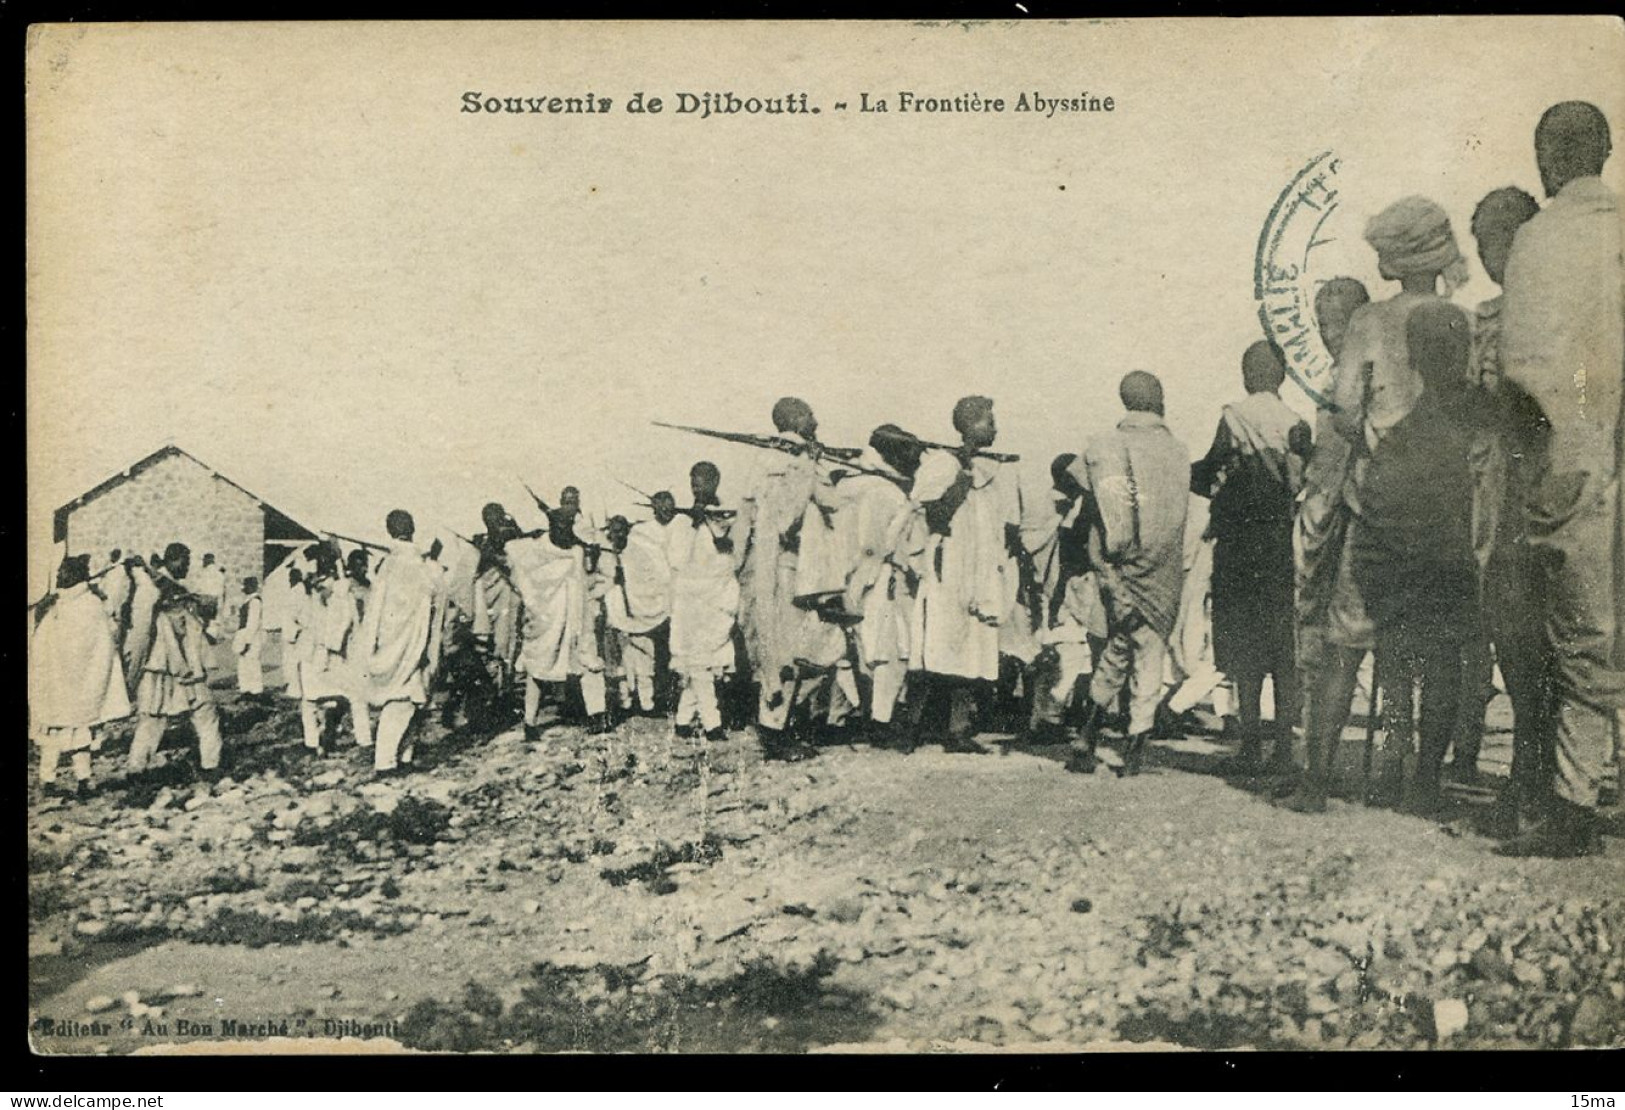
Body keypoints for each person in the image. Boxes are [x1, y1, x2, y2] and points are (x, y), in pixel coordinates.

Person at [1288, 198, 1467, 808]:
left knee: (1346, 643)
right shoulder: (1459, 319)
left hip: (1376, 507)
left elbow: (1342, 406)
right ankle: (1421, 784)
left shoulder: (1369, 322)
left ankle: (1315, 784)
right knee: (1437, 650)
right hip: (1445, 509)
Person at [1497, 102, 1624, 856]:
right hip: (1613, 441)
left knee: (1574, 636)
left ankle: (1572, 807)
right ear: (1608, 152)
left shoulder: (1540, 241)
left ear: (1547, 155)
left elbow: (1526, 369)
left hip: (1567, 449)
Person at [1457, 186, 1544, 814]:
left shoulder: (1524, 315)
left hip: (1527, 486)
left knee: (1535, 633)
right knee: (1516, 634)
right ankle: (1534, 770)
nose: (1492, 255)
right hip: (1499, 491)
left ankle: (1542, 774)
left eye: (1497, 240)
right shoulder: (1483, 318)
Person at [1190, 340, 1312, 772]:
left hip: (1240, 544)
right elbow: (1302, 482)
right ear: (1282, 376)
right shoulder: (1298, 423)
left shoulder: (1234, 418)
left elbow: (1209, 472)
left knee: (1244, 644)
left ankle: (1248, 747)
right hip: (1280, 540)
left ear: (1246, 375)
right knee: (1282, 646)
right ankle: (1283, 747)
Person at [1066, 373, 1191, 776]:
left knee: (1115, 654)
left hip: (1116, 570)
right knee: (1149, 658)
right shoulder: (1177, 452)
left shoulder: (1105, 446)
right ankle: (1134, 750)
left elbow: (1097, 509)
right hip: (1161, 575)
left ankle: (1086, 738)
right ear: (1159, 401)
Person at [907, 396, 1022, 752]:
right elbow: (930, 515)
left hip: (979, 574)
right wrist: (961, 476)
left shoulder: (991, 470)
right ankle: (909, 728)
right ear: (969, 424)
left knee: (971, 650)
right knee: (935, 650)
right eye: (989, 421)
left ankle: (958, 730)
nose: (995, 428)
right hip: (948, 571)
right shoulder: (943, 464)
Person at [734, 397, 842, 756]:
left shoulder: (785, 460)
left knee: (813, 649)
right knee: (784, 652)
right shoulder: (783, 462)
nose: (817, 420)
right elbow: (786, 517)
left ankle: (783, 725)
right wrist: (809, 463)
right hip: (781, 570)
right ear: (796, 420)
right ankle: (774, 731)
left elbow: (831, 502)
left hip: (793, 569)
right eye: (811, 414)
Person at [826, 425, 925, 742]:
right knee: (889, 652)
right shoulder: (886, 493)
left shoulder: (844, 486)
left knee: (850, 651)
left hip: (843, 577)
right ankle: (881, 721)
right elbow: (884, 544)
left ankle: (840, 718)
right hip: (878, 576)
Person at [29, 555, 131, 797]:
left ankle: (80, 779)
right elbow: (42, 643)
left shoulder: (81, 606)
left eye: (64, 572)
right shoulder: (63, 605)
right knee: (60, 732)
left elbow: (97, 644)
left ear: (75, 576)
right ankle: (51, 780)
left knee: (75, 732)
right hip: (64, 683)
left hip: (71, 683)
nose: (59, 576)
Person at [356, 511, 448, 775]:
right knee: (403, 700)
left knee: (412, 699)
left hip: (396, 640)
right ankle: (386, 763)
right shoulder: (417, 564)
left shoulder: (390, 563)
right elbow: (436, 590)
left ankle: (405, 756)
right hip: (409, 642)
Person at [1023, 454, 1107, 743]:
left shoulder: (1067, 506)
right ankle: (1049, 719)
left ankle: (1045, 719)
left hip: (1062, 591)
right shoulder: (1058, 507)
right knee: (1066, 659)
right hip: (1057, 592)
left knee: (1060, 659)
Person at [507, 507, 610, 741]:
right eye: (561, 526)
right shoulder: (535, 551)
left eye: (569, 526)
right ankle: (530, 721)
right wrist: (536, 606)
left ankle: (598, 715)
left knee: (588, 662)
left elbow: (588, 578)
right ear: (551, 526)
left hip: (577, 618)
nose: (566, 531)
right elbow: (524, 581)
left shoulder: (577, 551)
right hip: (547, 620)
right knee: (539, 667)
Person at [126, 543, 224, 780]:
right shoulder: (152, 590)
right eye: (184, 561)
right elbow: (144, 629)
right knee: (153, 718)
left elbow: (196, 605)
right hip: (164, 664)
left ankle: (211, 766)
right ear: (173, 559)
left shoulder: (170, 586)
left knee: (203, 713)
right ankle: (136, 769)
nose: (187, 567)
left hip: (182, 665)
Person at [667, 462, 741, 741]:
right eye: (694, 483)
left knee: (709, 660)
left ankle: (684, 720)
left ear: (716, 481)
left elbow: (733, 548)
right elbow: (676, 560)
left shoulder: (727, 514)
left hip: (720, 597)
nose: (698, 488)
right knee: (698, 661)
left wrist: (713, 524)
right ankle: (712, 724)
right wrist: (694, 523)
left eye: (704, 482)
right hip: (692, 601)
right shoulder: (680, 522)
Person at [288, 543, 361, 755]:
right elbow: (295, 617)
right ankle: (313, 743)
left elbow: (346, 617)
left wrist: (334, 642)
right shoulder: (305, 590)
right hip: (313, 649)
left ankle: (341, 736)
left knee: (347, 695)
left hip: (331, 651)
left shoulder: (338, 588)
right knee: (312, 700)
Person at [603, 513, 672, 717]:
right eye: (614, 531)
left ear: (628, 531)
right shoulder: (606, 554)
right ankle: (624, 702)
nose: (618, 535)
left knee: (644, 657)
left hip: (639, 613)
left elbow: (652, 579)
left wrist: (632, 588)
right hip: (615, 613)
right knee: (620, 661)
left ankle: (647, 704)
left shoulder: (640, 553)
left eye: (622, 530)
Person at [470, 502, 525, 698]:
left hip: (508, 594)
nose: (493, 522)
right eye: (489, 519)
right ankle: (497, 688)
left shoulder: (512, 538)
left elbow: (515, 563)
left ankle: (505, 688)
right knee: (492, 642)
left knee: (507, 640)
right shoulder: (484, 542)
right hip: (489, 594)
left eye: (496, 517)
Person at [233, 575, 266, 696]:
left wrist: (247, 642)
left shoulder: (255, 602)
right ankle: (246, 688)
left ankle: (256, 690)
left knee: (252, 663)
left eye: (246, 586)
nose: (244, 588)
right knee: (244, 663)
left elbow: (253, 623)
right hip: (245, 635)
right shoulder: (248, 600)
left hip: (252, 637)